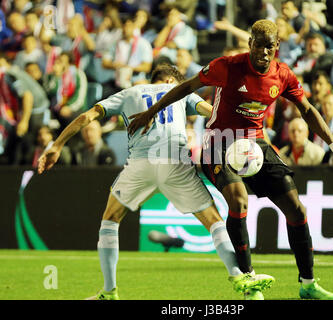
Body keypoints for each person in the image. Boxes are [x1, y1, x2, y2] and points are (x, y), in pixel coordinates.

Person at [127, 19, 333, 300]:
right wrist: (151, 112)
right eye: (259, 45)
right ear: (250, 43)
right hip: (218, 142)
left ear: (277, 47)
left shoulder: (283, 75)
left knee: (296, 209)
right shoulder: (226, 66)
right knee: (238, 200)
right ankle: (248, 283)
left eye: (269, 47)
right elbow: (186, 87)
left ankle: (308, 284)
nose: (263, 52)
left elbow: (307, 109)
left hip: (255, 143)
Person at [37, 64, 274, 300]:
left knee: (110, 220)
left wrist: (56, 145)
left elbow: (86, 116)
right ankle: (239, 277)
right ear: (172, 81)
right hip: (176, 161)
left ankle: (109, 292)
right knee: (213, 222)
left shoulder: (129, 92)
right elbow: (211, 112)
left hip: (141, 164)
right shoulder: (183, 93)